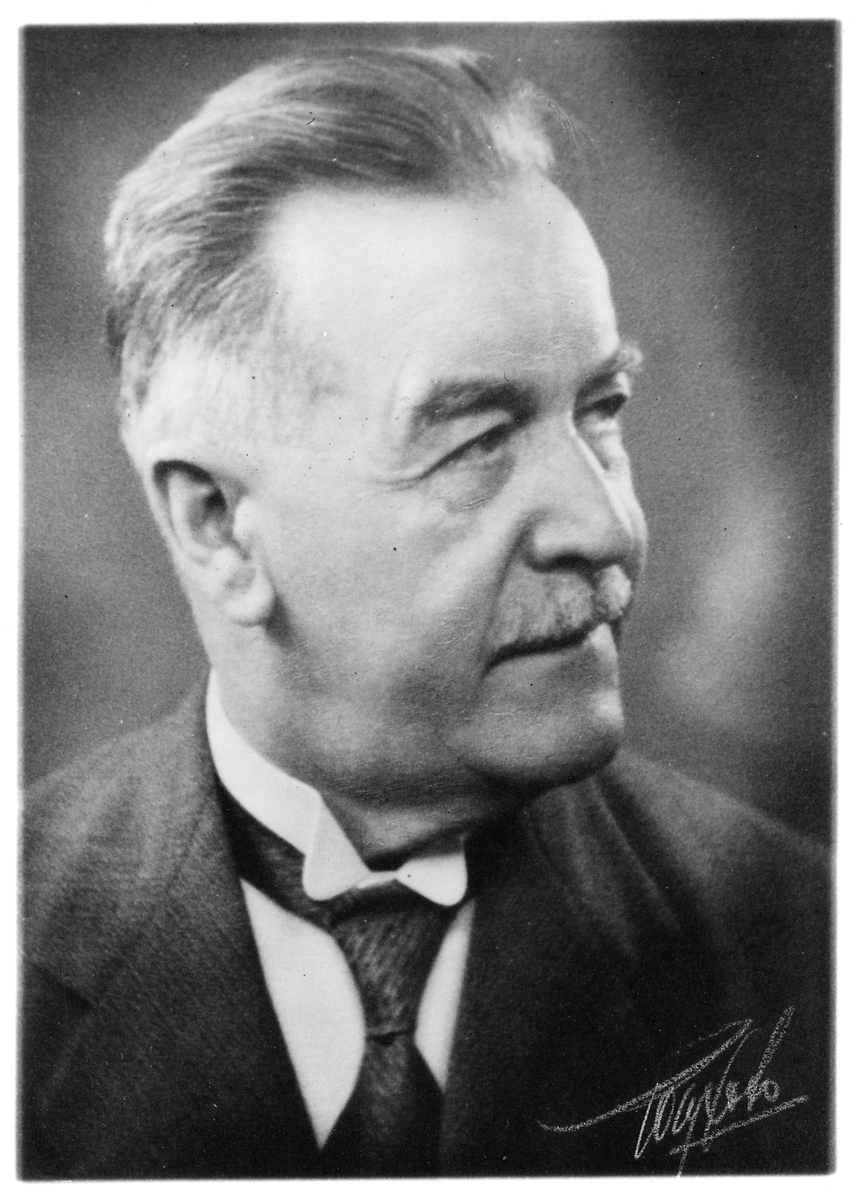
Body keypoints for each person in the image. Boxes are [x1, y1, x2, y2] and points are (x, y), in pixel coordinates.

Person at [21, 46, 830, 1179]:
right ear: (217, 526)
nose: (604, 527)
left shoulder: (799, 945)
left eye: (601, 410)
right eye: (477, 441)